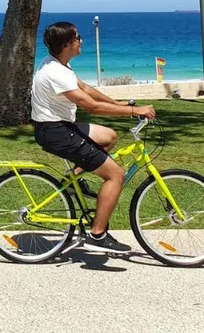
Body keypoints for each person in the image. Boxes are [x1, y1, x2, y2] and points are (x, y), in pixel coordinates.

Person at [31, 22, 156, 254]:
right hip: (57, 132)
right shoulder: (55, 72)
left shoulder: (57, 63)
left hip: (59, 126)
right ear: (67, 44)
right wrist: (133, 111)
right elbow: (91, 106)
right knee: (115, 175)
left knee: (109, 137)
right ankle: (97, 236)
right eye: (78, 37)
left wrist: (117, 104)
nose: (82, 41)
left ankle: (73, 180)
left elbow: (85, 89)